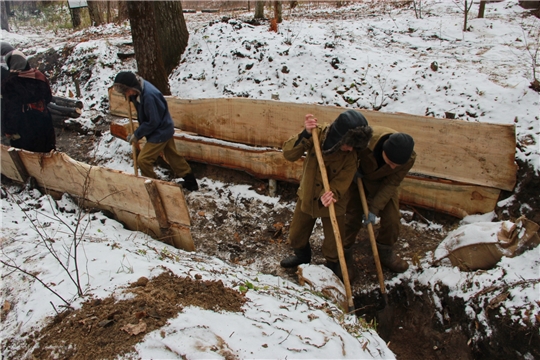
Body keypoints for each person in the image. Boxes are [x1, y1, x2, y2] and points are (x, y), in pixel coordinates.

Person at [280, 110, 373, 280]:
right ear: (340, 137)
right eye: (349, 143)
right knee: (296, 236)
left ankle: (332, 266)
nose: (351, 148)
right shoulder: (317, 134)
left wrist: (331, 193)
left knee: (334, 243)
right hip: (308, 194)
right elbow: (289, 154)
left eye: (355, 145)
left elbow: (344, 178)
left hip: (333, 199)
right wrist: (305, 134)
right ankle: (302, 257)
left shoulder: (351, 155)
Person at [344, 127, 416, 273]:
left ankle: (385, 251)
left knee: (392, 220)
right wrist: (351, 169)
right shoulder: (365, 140)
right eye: (390, 162)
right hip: (358, 179)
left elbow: (392, 183)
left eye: (396, 165)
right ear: (384, 150)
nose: (393, 167)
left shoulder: (408, 158)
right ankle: (344, 252)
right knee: (353, 217)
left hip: (383, 184)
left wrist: (373, 209)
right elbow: (346, 152)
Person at [112, 71, 199, 191]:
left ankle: (155, 187)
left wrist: (137, 134)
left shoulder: (149, 96)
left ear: (132, 86)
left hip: (160, 131)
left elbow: (153, 122)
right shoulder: (138, 90)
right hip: (162, 127)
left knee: (143, 160)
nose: (127, 95)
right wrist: (131, 98)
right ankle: (191, 182)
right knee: (172, 156)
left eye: (127, 92)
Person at [1, 50, 56, 152]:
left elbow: (11, 109)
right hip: (44, 121)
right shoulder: (39, 76)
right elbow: (48, 98)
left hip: (24, 125)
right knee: (47, 153)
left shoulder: (10, 83)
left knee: (27, 157)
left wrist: (9, 130)